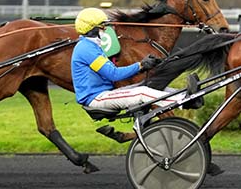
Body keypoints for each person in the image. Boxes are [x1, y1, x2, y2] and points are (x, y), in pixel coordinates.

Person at [71, 7, 201, 112]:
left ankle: (187, 94)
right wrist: (141, 65)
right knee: (142, 92)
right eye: (103, 27)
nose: (106, 30)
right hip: (96, 98)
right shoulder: (86, 49)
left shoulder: (92, 46)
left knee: (148, 85)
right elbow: (113, 74)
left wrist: (144, 66)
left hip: (105, 93)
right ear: (93, 29)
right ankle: (184, 101)